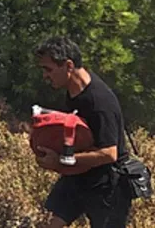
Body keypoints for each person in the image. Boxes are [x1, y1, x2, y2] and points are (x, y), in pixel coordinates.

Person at [34, 36, 131, 227]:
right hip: (78, 175)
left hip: (108, 185)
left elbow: (109, 153)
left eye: (48, 69)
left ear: (69, 66)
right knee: (48, 223)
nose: (45, 76)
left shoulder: (99, 102)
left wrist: (60, 160)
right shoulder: (74, 91)